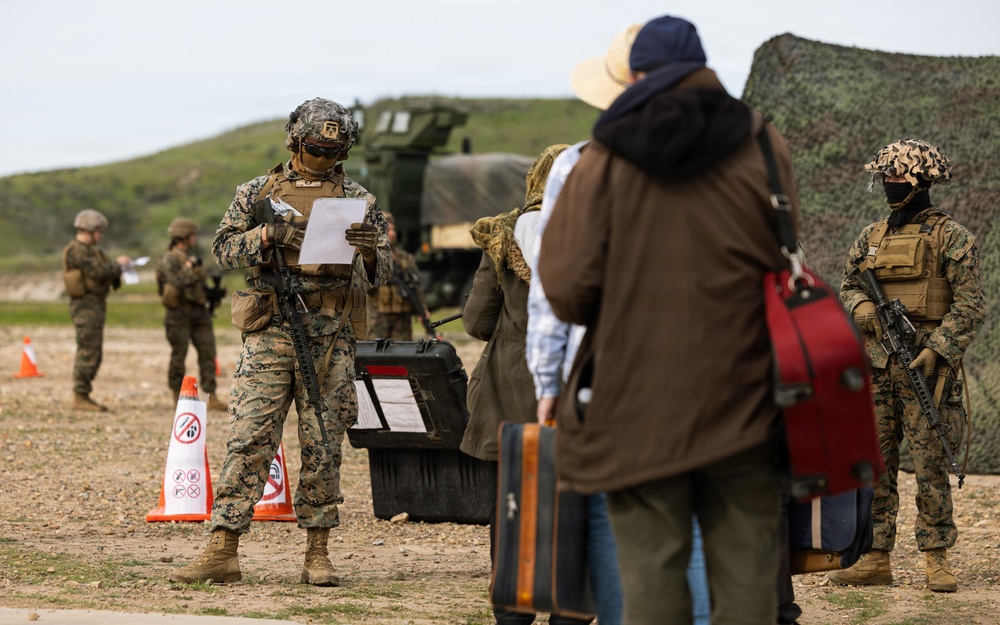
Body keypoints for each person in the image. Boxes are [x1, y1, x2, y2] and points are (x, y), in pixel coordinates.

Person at [538, 15, 801, 625]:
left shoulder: (600, 160)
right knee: (748, 584)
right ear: (705, 67)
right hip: (749, 401)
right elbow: (781, 258)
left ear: (633, 76)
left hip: (634, 405)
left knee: (651, 580)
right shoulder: (763, 144)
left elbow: (569, 290)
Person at [525, 23, 707, 625]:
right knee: (699, 524)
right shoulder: (733, 157)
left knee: (611, 522)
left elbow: (555, 284)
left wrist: (547, 382)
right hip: (710, 373)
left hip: (606, 376)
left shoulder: (578, 166)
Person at [169, 97, 392, 586]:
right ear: (295, 141)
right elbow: (223, 249)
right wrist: (265, 236)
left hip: (330, 336)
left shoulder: (358, 198)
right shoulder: (256, 192)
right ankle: (223, 548)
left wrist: (371, 254)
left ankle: (317, 552)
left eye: (334, 152)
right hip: (271, 329)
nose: (324, 159)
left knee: (323, 444)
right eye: (315, 149)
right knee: (249, 437)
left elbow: (383, 273)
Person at [830, 139, 985, 593]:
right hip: (878, 368)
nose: (892, 186)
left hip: (926, 370)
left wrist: (937, 349)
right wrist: (864, 313)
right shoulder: (871, 236)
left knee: (931, 462)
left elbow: (971, 305)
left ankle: (936, 558)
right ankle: (876, 557)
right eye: (887, 178)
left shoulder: (953, 237)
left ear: (923, 182)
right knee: (876, 463)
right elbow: (848, 285)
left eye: (900, 179)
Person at [462, 144, 595, 625]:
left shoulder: (501, 233)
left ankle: (513, 608)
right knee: (579, 496)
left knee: (513, 496)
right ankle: (571, 609)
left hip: (511, 381)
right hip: (583, 379)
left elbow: (477, 321)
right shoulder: (603, 229)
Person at [63, 209, 131, 412]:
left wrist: (116, 268)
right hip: (85, 307)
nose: (101, 235)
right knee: (88, 350)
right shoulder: (77, 250)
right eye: (100, 231)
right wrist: (118, 265)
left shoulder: (92, 250)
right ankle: (80, 395)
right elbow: (99, 271)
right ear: (91, 230)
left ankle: (83, 394)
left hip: (95, 305)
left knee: (94, 350)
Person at [156, 217, 227, 411]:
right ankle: (177, 397)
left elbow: (197, 284)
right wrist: (189, 269)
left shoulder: (191, 257)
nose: (195, 239)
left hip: (198, 312)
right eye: (192, 235)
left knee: (208, 353)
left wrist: (211, 293)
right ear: (184, 237)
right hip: (178, 313)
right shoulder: (170, 258)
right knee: (179, 355)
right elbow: (175, 282)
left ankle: (210, 396)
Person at [367, 211, 429, 340]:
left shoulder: (405, 258)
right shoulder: (367, 258)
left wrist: (423, 310)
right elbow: (361, 286)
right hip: (377, 318)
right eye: (387, 229)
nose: (393, 233)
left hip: (402, 320)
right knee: (374, 357)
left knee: (402, 356)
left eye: (394, 229)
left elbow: (417, 287)